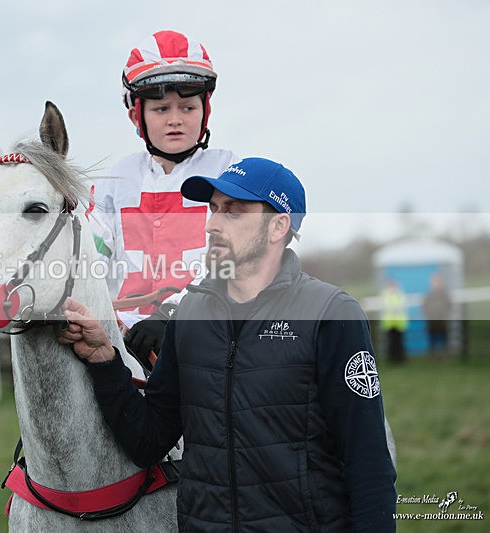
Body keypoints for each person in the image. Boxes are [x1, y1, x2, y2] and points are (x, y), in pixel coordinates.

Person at [60, 158, 397, 531]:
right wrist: (105, 359)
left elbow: (369, 465)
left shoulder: (331, 314)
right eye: (213, 208)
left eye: (234, 212)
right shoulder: (189, 316)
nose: (213, 224)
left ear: (278, 226)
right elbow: (148, 442)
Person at [90, 30, 238, 366]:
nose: (175, 119)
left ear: (205, 111)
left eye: (187, 107)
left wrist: (174, 315)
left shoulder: (228, 172)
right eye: (161, 109)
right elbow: (92, 257)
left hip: (209, 333)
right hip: (123, 340)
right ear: (137, 116)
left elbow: (235, 260)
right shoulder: (114, 181)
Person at [422, 273, 452, 356]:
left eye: (437, 281)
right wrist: (429, 315)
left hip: (442, 319)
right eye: (434, 282)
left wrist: (445, 314)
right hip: (432, 319)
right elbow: (424, 306)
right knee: (432, 337)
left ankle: (446, 354)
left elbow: (449, 304)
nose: (436, 284)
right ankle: (433, 355)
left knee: (444, 337)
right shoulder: (429, 294)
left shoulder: (444, 294)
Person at [380, 278, 408, 364]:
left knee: (399, 342)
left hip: (399, 323)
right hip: (390, 323)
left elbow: (402, 306)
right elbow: (385, 306)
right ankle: (392, 359)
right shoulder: (386, 295)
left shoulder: (400, 294)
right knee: (391, 342)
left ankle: (400, 359)